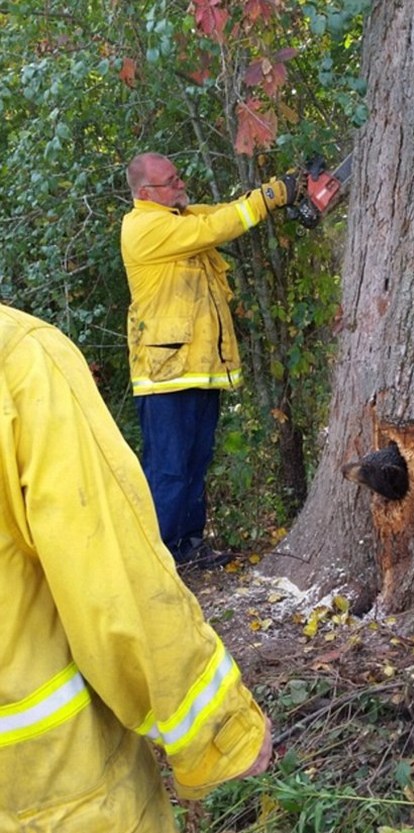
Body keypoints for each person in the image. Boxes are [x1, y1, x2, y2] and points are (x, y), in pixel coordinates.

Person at [0, 302, 272, 832]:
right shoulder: (19, 361)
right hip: (58, 796)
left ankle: (190, 541)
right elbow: (111, 576)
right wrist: (218, 730)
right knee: (172, 477)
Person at [121, 153, 300, 570]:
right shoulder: (145, 227)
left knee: (194, 464)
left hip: (196, 369)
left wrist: (270, 192)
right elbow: (216, 226)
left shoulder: (177, 218)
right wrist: (271, 197)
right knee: (169, 470)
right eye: (171, 180)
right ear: (147, 192)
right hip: (165, 375)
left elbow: (218, 214)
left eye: (178, 176)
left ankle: (188, 545)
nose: (181, 184)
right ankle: (160, 558)